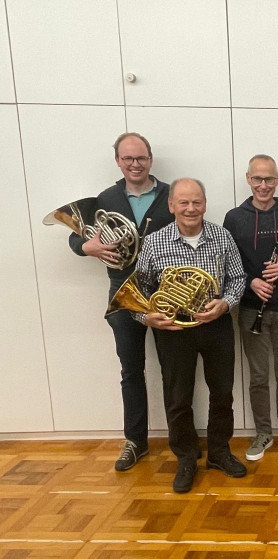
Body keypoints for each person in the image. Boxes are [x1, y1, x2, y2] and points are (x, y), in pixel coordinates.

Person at [134, 178, 247, 493]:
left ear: (205, 203)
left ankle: (219, 452)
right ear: (171, 205)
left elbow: (238, 278)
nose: (190, 208)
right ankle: (186, 458)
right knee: (178, 398)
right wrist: (147, 317)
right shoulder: (155, 242)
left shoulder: (221, 236)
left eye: (196, 201)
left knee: (222, 394)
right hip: (173, 331)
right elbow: (138, 292)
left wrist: (225, 303)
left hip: (216, 325)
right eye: (183, 202)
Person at [69, 132, 173, 472]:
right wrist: (89, 248)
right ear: (118, 161)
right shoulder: (107, 197)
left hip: (164, 295)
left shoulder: (170, 195)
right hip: (123, 293)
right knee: (131, 371)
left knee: (175, 370)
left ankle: (180, 439)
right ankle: (135, 442)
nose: (135, 163)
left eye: (140, 157)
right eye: (127, 158)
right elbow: (77, 236)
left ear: (150, 159)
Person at [223, 155, 278, 461]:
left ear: (277, 179)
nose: (263, 185)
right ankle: (262, 432)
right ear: (247, 179)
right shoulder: (234, 217)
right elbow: (227, 265)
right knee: (258, 376)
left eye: (269, 179)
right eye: (257, 179)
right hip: (249, 306)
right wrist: (250, 282)